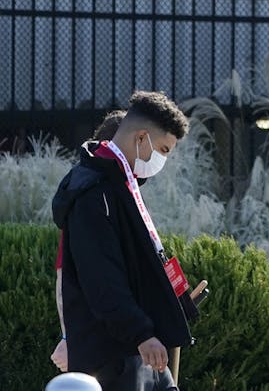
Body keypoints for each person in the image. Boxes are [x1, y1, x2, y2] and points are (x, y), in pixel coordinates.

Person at [51, 91, 194, 391]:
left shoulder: (123, 184)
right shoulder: (93, 193)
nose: (163, 160)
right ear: (142, 138)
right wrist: (141, 333)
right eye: (164, 150)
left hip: (141, 349)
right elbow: (102, 278)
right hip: (115, 356)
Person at [52, 108, 127, 373]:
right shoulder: (89, 193)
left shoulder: (121, 192)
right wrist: (67, 338)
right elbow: (65, 273)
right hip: (96, 344)